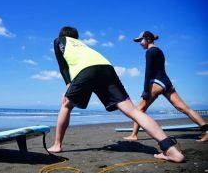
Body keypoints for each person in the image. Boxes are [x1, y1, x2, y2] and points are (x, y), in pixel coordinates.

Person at [48, 26, 185, 163]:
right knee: (133, 110)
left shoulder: (59, 40)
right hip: (106, 68)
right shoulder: (83, 45)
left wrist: (68, 86)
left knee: (66, 105)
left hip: (86, 71)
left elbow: (63, 67)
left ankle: (57, 145)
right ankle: (171, 150)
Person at [123, 31, 208, 142]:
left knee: (139, 110)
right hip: (166, 83)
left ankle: (134, 135)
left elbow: (148, 72)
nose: (140, 43)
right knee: (184, 108)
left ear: (147, 39)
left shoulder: (149, 52)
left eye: (141, 40)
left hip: (156, 83)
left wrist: (145, 90)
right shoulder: (159, 51)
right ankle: (207, 130)